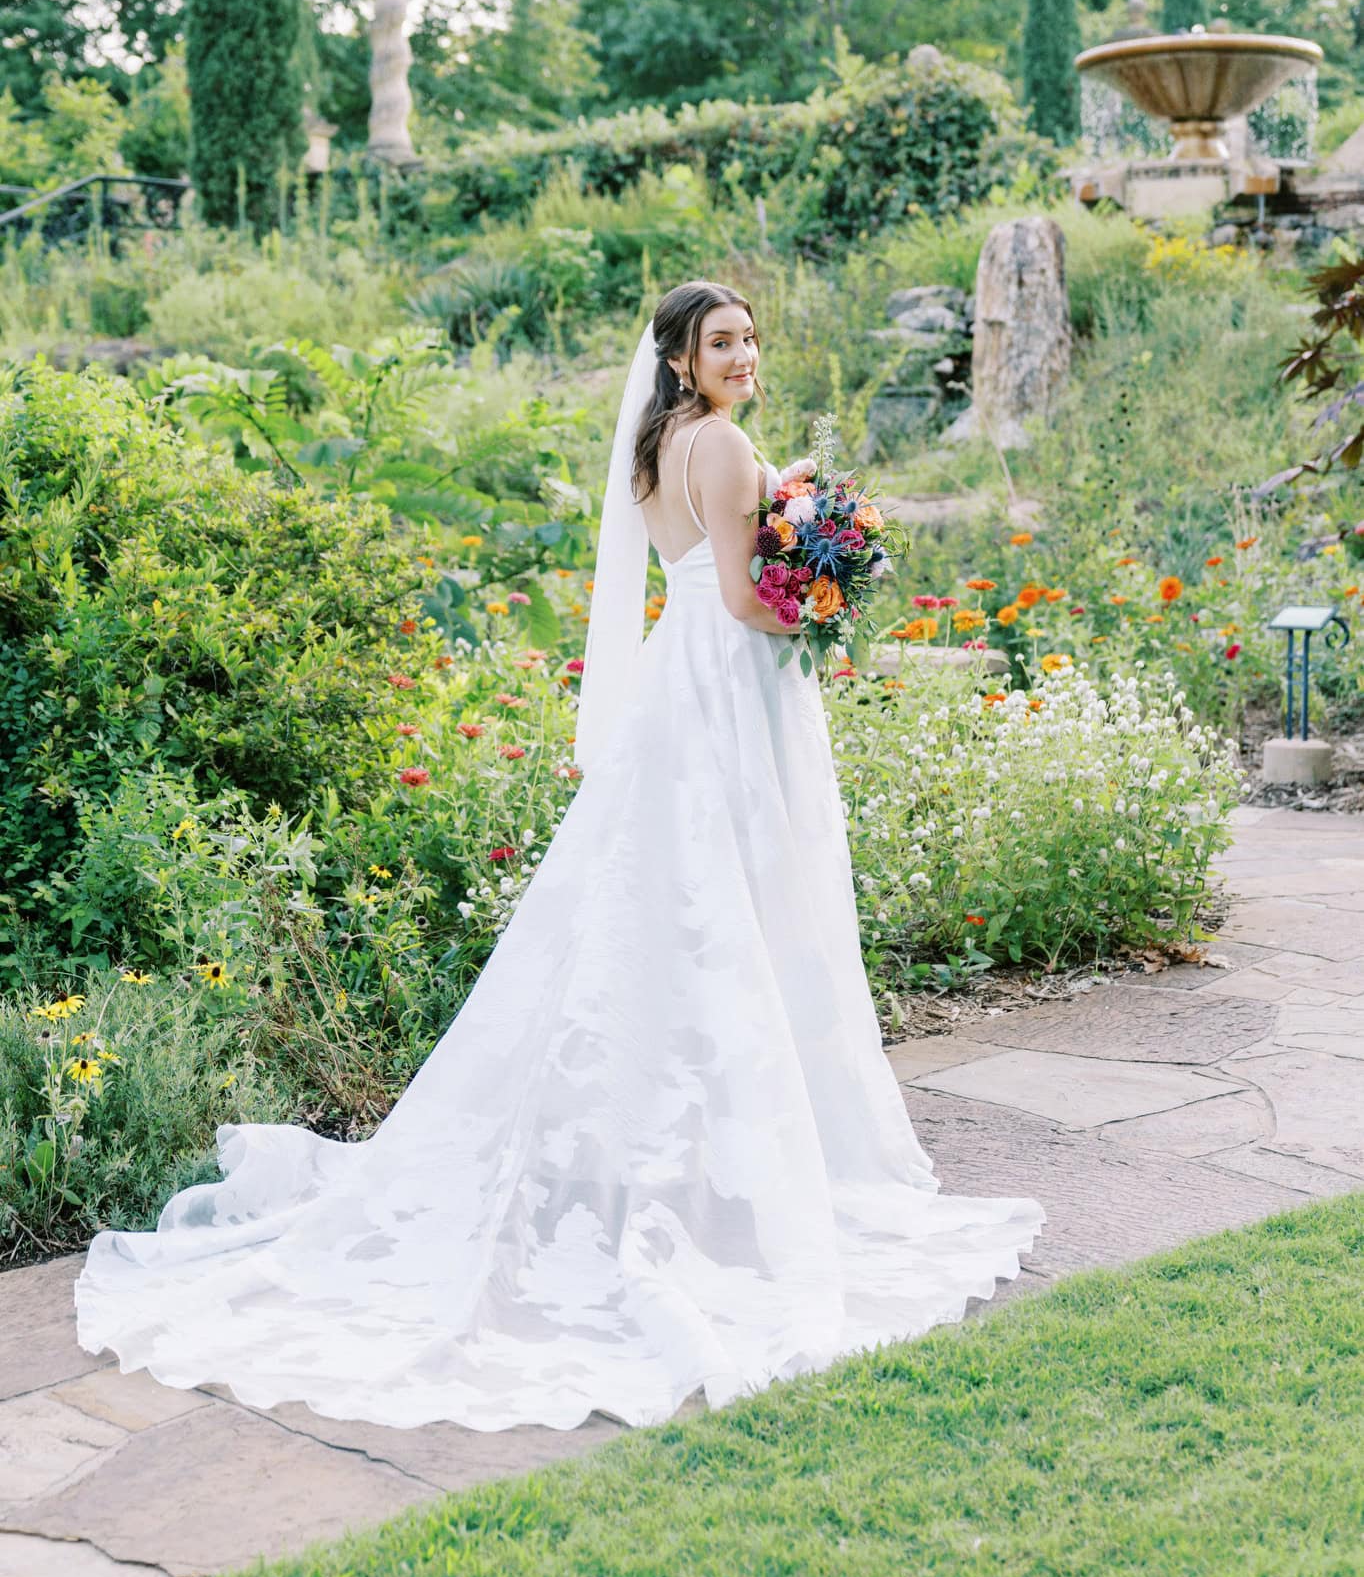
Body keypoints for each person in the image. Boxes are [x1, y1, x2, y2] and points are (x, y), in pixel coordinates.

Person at [74, 279, 1045, 1433]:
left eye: (748, 337)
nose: (742, 354)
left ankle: (660, 1144)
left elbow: (697, 581)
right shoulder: (726, 446)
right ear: (680, 359)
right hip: (729, 686)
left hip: (672, 684)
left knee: (652, 908)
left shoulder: (656, 447)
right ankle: (723, 1169)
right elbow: (743, 599)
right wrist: (826, 602)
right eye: (719, 341)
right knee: (729, 902)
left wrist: (807, 567)